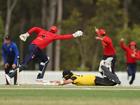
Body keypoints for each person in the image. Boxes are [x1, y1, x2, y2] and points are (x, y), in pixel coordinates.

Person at [5, 26, 83, 83]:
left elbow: (35, 28)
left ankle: (39, 77)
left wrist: (27, 34)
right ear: (55, 31)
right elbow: (63, 37)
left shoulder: (42, 31)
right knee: (24, 65)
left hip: (35, 48)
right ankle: (10, 75)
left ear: (49, 29)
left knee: (45, 59)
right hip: (35, 48)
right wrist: (74, 35)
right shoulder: (53, 35)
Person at [45, 69, 120, 86]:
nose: (64, 78)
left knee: (112, 84)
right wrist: (52, 81)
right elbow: (63, 81)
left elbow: (64, 83)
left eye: (65, 77)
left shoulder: (73, 78)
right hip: (93, 79)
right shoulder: (73, 76)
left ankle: (113, 77)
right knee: (110, 83)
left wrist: (52, 83)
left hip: (94, 80)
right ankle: (109, 77)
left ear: (67, 76)